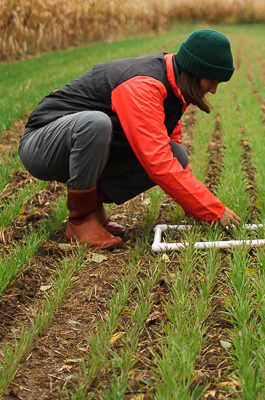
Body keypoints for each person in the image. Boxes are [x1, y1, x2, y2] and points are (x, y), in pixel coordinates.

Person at [17, 28, 242, 248]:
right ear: (194, 71)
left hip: (77, 144)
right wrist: (212, 210)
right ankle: (81, 220)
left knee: (177, 154)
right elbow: (158, 161)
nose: (213, 90)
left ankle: (94, 209)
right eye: (212, 81)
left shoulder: (175, 89)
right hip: (42, 144)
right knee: (96, 124)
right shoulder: (145, 85)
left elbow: (170, 159)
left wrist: (197, 205)